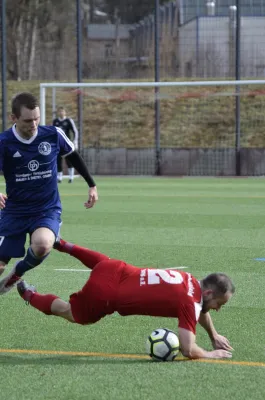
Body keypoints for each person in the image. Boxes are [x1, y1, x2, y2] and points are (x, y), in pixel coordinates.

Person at [17, 239, 235, 360]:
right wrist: (210, 354)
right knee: (71, 313)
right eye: (220, 303)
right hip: (106, 295)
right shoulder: (189, 303)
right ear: (207, 294)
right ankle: (29, 295)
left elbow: (202, 310)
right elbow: (188, 349)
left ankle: (62, 244)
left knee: (103, 262)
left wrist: (213, 334)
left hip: (115, 269)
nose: (217, 309)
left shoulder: (190, 280)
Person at [0, 92, 98, 294]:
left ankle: (16, 274)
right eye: (28, 120)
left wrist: (92, 185)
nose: (34, 124)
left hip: (46, 209)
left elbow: (73, 156)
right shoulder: (4, 142)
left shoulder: (53, 134)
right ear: (14, 118)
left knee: (43, 245)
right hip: (14, 211)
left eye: (37, 118)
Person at [53, 107, 79, 183]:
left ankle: (71, 177)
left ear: (65, 112)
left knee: (69, 160)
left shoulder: (68, 121)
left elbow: (75, 131)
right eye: (60, 111)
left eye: (62, 111)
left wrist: (75, 141)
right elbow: (53, 132)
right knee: (58, 160)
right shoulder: (55, 121)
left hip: (66, 144)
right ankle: (59, 178)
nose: (61, 113)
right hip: (58, 144)